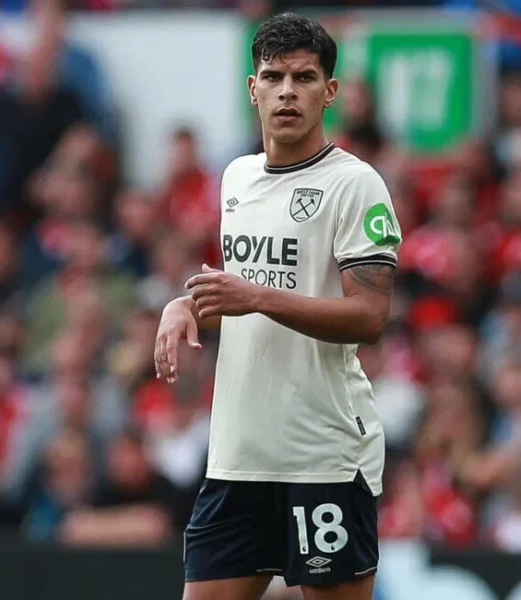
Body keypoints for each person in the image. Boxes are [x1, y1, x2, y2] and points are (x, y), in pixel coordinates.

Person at [153, 13, 402, 600]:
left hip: (323, 455)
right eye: (273, 76)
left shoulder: (356, 184)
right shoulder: (237, 178)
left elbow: (369, 317)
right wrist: (187, 305)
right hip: (237, 456)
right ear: (253, 88)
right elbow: (243, 294)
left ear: (329, 91)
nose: (287, 91)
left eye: (304, 78)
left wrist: (256, 297)